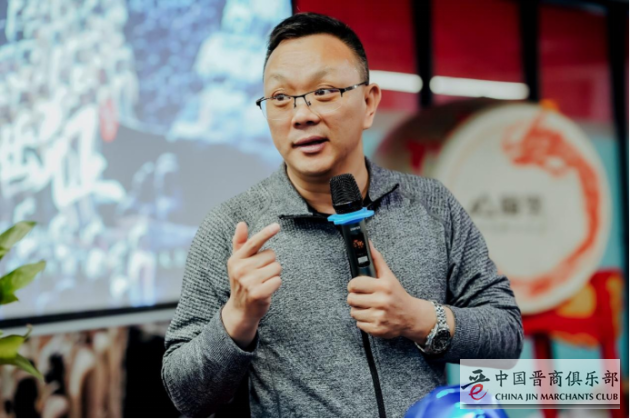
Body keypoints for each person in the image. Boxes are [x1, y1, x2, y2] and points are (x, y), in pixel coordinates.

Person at [162, 12, 524, 418]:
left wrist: (418, 318)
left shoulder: (431, 205)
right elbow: (185, 394)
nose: (301, 115)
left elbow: (506, 336)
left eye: (324, 91)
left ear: (369, 102)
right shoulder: (232, 228)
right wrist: (237, 318)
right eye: (280, 98)